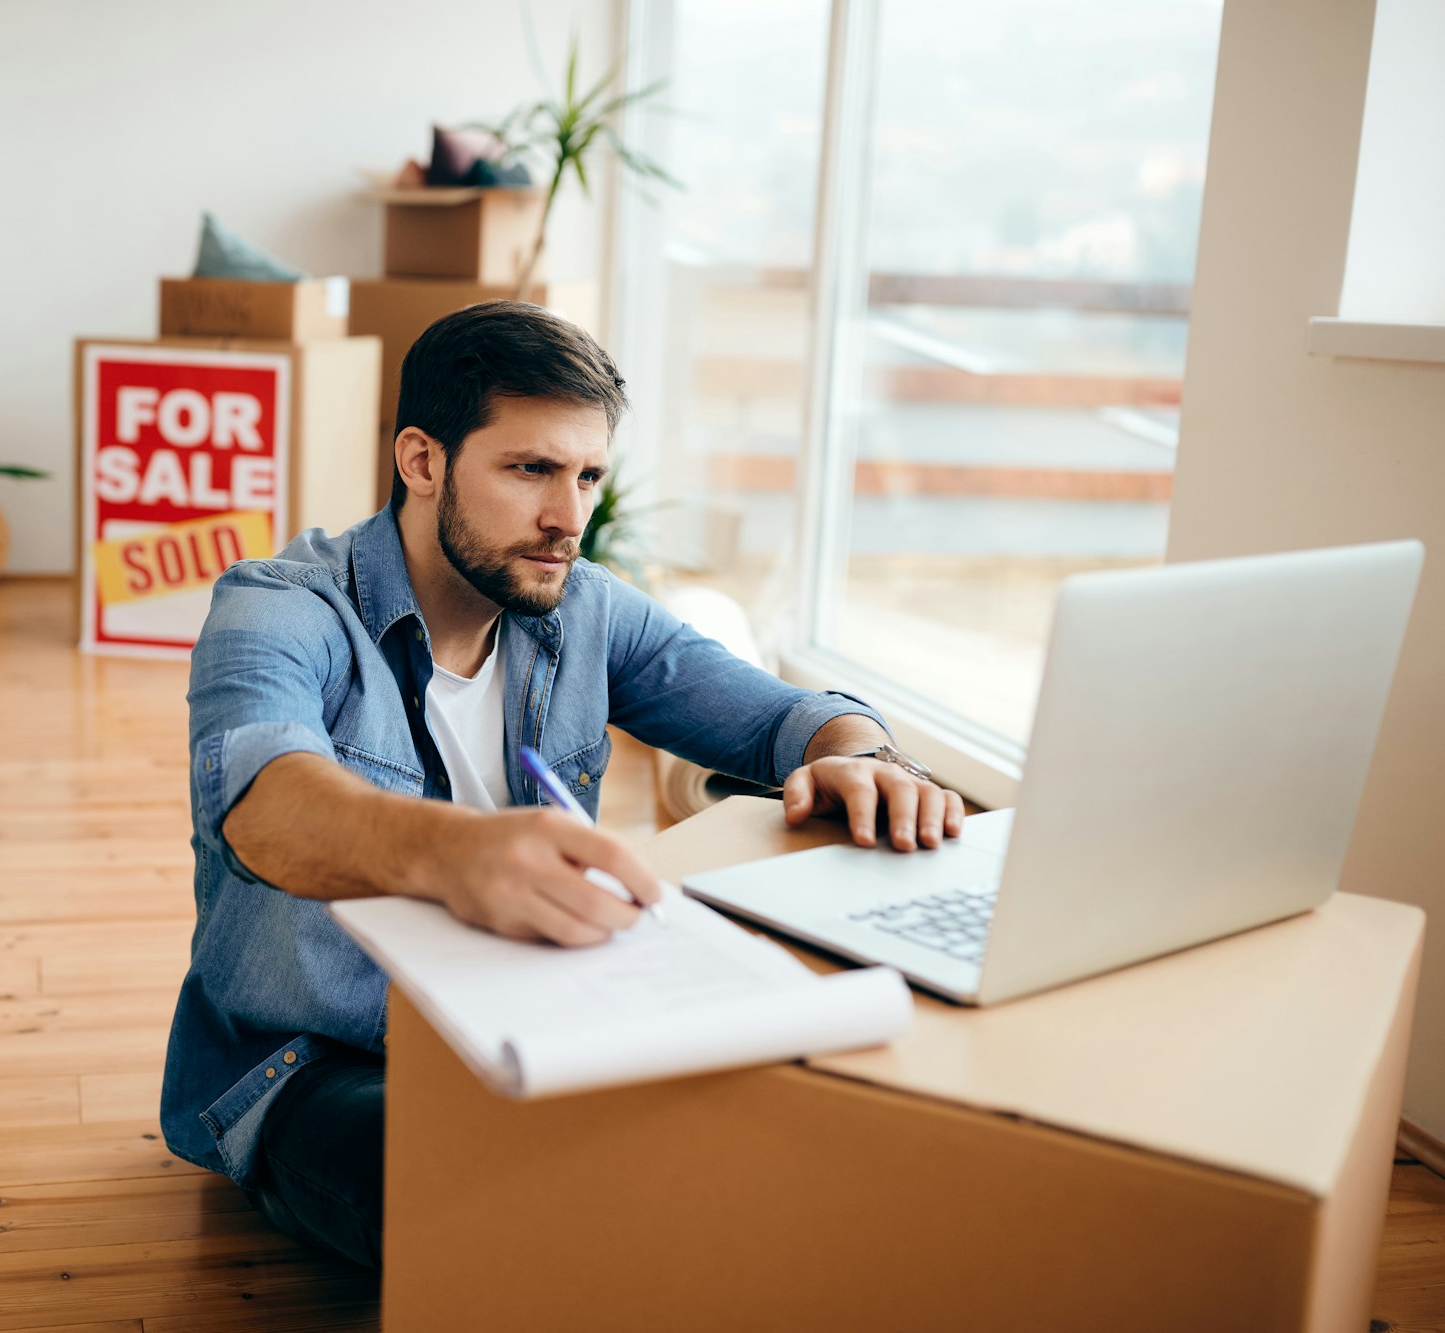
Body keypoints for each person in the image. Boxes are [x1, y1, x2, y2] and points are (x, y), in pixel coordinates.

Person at [161, 301, 967, 1269]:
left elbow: (775, 717)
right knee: (519, 1209)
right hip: (317, 1062)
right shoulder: (279, 605)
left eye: (587, 474)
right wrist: (457, 853)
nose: (568, 517)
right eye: (530, 469)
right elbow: (263, 804)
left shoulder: (576, 604)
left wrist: (866, 755)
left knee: (788, 1150)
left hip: (538, 1024)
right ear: (420, 461)